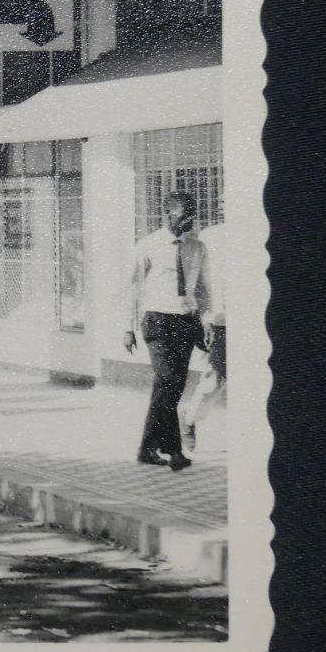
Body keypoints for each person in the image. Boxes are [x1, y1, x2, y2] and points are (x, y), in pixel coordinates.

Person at [122, 192, 209, 472]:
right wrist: (127, 328)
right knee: (167, 380)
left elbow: (204, 289)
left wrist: (205, 322)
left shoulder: (198, 247)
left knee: (171, 386)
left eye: (192, 215)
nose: (189, 220)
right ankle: (173, 450)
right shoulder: (148, 245)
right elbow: (132, 289)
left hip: (186, 322)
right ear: (168, 215)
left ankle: (148, 448)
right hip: (158, 321)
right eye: (184, 214)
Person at [184, 219, 227, 452]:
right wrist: (205, 318)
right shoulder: (211, 236)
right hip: (221, 319)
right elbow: (200, 282)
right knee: (215, 380)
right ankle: (189, 421)